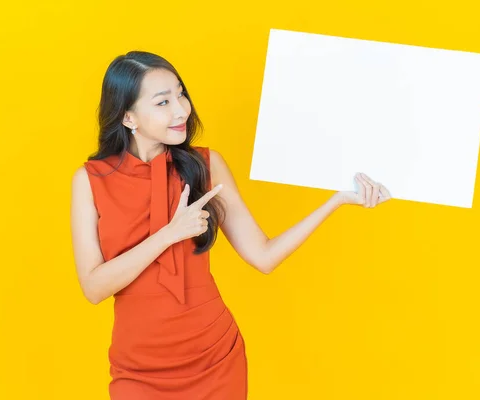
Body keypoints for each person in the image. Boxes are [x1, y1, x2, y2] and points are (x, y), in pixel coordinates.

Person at [70, 51, 391, 399]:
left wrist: (336, 200)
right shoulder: (90, 180)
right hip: (139, 371)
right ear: (128, 116)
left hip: (214, 358)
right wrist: (167, 235)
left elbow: (264, 257)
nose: (181, 110)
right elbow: (94, 288)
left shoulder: (206, 165)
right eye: (163, 102)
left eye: (181, 94)